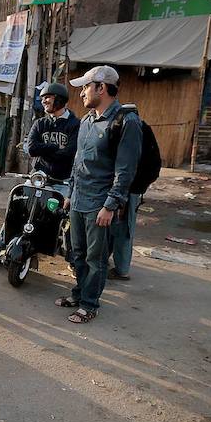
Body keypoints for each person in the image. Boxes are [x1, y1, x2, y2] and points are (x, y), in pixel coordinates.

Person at [57, 66, 141, 324]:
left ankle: (89, 304)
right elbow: (78, 161)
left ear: (101, 88)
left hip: (100, 204)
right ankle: (79, 293)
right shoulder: (86, 120)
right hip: (79, 199)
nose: (81, 92)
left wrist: (111, 205)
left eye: (86, 87)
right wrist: (70, 191)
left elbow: (125, 170)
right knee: (77, 253)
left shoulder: (126, 122)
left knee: (96, 258)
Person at [0, 83, 80, 267]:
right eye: (43, 97)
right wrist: (56, 148)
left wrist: (45, 149)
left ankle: (73, 260)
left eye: (48, 97)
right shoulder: (40, 123)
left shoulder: (74, 125)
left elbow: (69, 152)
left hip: (62, 181)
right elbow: (31, 149)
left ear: (60, 99)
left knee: (66, 218)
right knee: (17, 208)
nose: (44, 100)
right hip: (38, 177)